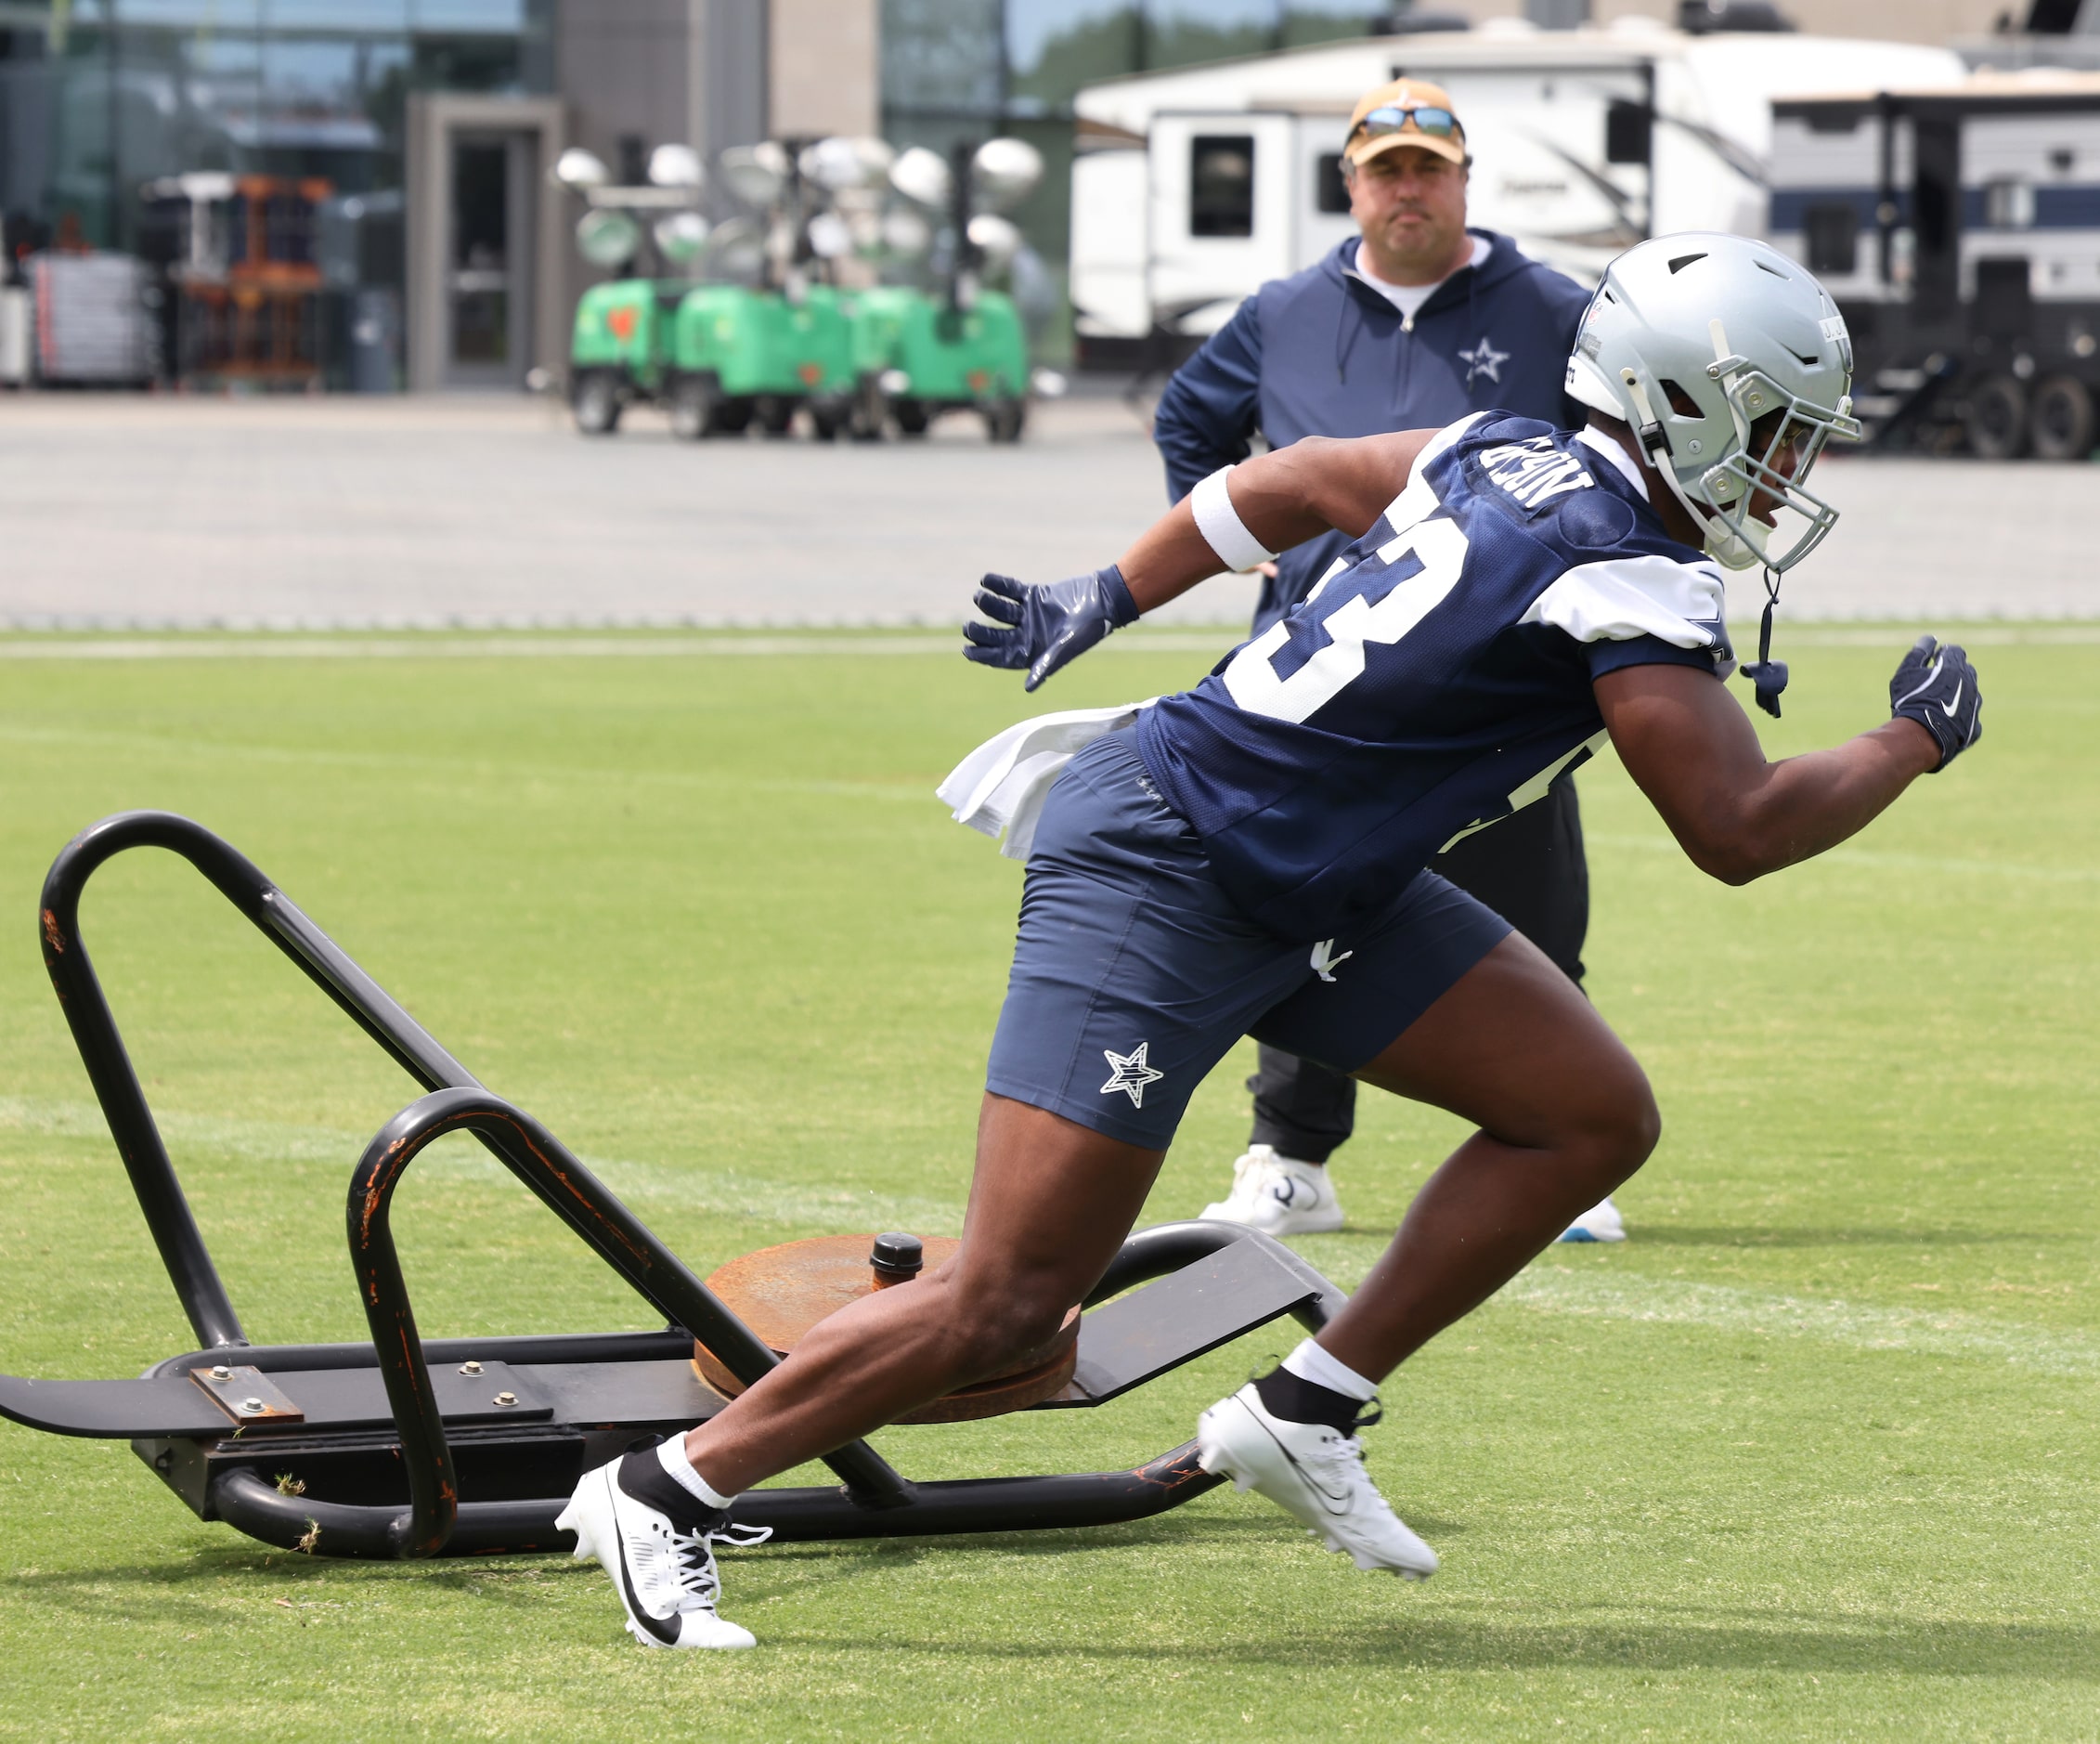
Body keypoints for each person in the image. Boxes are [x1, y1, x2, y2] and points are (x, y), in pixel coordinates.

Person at [555, 233, 1981, 1648]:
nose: (1793, 470)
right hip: (1171, 865)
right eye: (1780, 432)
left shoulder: (1498, 445)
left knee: (1584, 1115)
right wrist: (1910, 734)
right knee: (1004, 1300)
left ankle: (1304, 1409)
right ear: (1684, 402)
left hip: (1314, 872)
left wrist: (1106, 593)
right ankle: (660, 1488)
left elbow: (1291, 481)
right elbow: (1734, 827)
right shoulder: (1630, 570)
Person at [1150, 78, 1617, 1243]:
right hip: (1326, 675)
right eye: (1385, 170)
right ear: (1352, 185)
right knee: (1300, 899)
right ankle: (1290, 1159)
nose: (1407, 190)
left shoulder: (1553, 307)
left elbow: (1617, 449)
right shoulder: (1283, 310)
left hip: (1508, 667)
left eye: (1428, 169)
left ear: (1465, 181)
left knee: (1532, 901)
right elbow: (1189, 424)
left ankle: (1567, 1153)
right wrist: (1240, 549)